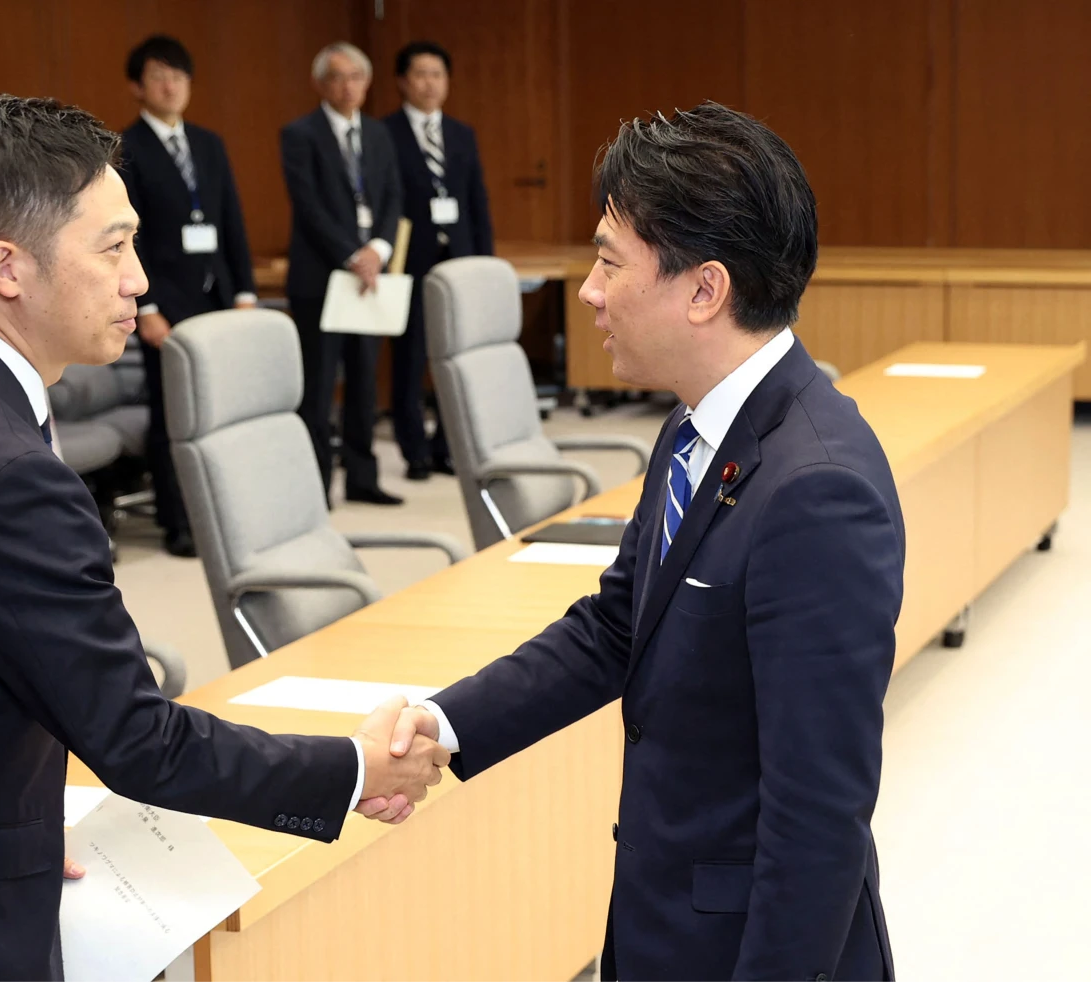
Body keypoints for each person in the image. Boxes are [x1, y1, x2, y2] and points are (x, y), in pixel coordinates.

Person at [0, 95, 447, 982]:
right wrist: (352, 766)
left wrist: (15, 818)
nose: (139, 278)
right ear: (7, 268)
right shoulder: (7, 476)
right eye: (112, 248)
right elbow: (140, 741)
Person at [362, 103, 904, 982]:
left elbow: (817, 822)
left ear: (705, 290)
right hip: (663, 921)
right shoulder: (698, 428)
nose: (589, 291)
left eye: (611, 263)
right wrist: (443, 723)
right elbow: (619, 628)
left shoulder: (818, 493)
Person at [117, 35, 257, 558]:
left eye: (179, 75)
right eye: (158, 75)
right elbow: (132, 235)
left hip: (218, 298)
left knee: (222, 413)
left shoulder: (209, 143)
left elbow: (231, 223)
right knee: (173, 416)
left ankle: (222, 513)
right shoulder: (125, 148)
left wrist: (244, 291)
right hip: (166, 307)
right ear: (137, 86)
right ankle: (176, 521)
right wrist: (146, 308)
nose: (171, 84)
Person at [280, 42, 403, 506]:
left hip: (371, 276)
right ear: (319, 83)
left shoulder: (377, 133)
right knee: (319, 384)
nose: (347, 85)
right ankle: (316, 484)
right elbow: (309, 207)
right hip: (323, 279)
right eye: (336, 76)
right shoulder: (300, 134)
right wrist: (355, 254)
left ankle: (362, 478)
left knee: (365, 381)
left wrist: (378, 249)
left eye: (355, 76)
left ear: (367, 83)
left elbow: (392, 198)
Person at [383, 41, 493, 480]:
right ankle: (414, 452)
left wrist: (484, 262)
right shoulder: (384, 133)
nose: (430, 83)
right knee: (409, 359)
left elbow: (476, 203)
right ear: (403, 81)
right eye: (421, 74)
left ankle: (447, 446)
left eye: (437, 74)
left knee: (455, 356)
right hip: (410, 262)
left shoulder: (462, 133)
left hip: (459, 259)